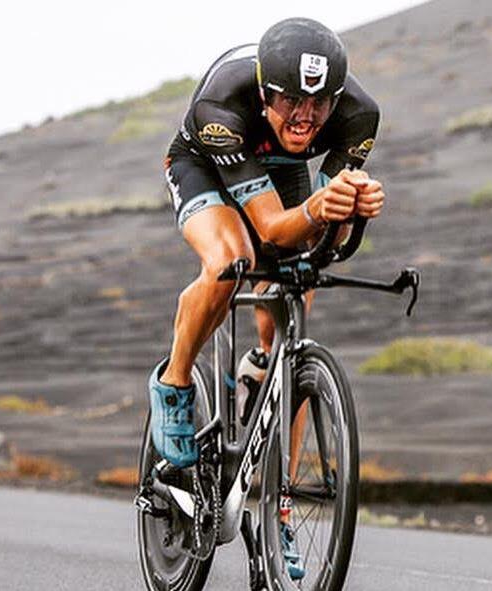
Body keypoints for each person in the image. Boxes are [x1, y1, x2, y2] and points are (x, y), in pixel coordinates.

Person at [148, 17, 384, 579]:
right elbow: (275, 229)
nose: (304, 116)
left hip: (280, 175)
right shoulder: (223, 106)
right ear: (263, 92)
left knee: (294, 296)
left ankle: (273, 460)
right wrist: (322, 209)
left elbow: (329, 244)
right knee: (234, 261)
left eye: (318, 104)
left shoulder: (358, 117)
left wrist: (354, 211)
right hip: (204, 165)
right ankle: (175, 381)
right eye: (288, 102)